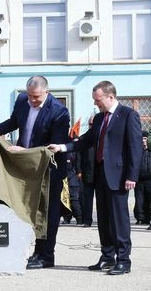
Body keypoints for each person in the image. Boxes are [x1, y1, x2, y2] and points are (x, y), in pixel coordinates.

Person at [49, 80, 142, 275]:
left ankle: (123, 259)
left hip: (119, 177)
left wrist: (132, 175)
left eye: (97, 100)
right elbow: (85, 140)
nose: (95, 103)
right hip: (101, 176)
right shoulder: (100, 118)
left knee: (119, 219)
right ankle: (107, 256)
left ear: (110, 96)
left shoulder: (128, 115)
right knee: (103, 218)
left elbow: (135, 147)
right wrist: (62, 147)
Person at [0, 75, 70, 269]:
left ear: (46, 92)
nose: (32, 100)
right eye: (30, 96)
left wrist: (24, 151)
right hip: (25, 167)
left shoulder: (59, 112)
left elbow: (54, 146)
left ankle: (46, 256)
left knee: (47, 212)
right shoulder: (22, 101)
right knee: (27, 209)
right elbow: (14, 122)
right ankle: (33, 252)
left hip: (49, 169)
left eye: (36, 97)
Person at [76, 115, 96, 228]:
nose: (92, 126)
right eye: (90, 124)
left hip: (100, 174)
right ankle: (87, 220)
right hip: (87, 173)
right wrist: (79, 170)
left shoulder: (102, 137)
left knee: (102, 200)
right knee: (87, 199)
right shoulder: (83, 138)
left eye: (94, 124)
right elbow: (78, 156)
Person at [133, 131, 151, 225]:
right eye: (142, 139)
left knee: (150, 199)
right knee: (139, 200)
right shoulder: (136, 151)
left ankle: (149, 217)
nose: (143, 141)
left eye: (145, 138)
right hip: (139, 179)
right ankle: (140, 218)